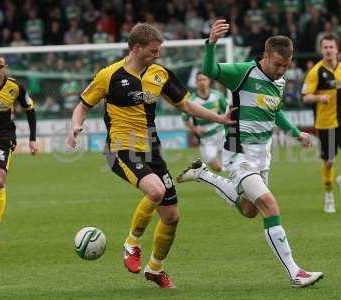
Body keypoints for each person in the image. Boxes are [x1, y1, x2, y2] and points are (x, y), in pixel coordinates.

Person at [67, 23, 234, 289]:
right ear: (136, 48)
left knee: (171, 218)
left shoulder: (160, 74)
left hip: (152, 150)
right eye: (153, 51)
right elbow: (83, 105)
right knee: (155, 191)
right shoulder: (109, 75)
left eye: (159, 51)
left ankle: (155, 268)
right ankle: (131, 244)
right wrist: (75, 126)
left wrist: (220, 118)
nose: (157, 55)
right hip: (120, 149)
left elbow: (186, 105)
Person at [177, 20, 323, 288]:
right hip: (239, 154)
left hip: (262, 156)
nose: (281, 70)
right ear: (265, 56)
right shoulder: (243, 73)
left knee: (248, 210)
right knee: (269, 206)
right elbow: (209, 69)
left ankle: (202, 175)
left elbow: (275, 111)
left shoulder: (278, 82)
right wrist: (211, 43)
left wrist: (296, 133)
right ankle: (295, 272)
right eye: (277, 64)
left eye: (286, 65)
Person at [302, 34, 341, 213]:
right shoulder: (315, 72)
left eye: (331, 47)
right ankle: (328, 195)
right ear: (321, 50)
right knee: (328, 162)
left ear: (337, 50)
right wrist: (319, 97)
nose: (328, 50)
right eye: (325, 47)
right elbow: (305, 97)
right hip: (325, 123)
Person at [0, 53, 38, 249]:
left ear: (5, 68)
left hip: (4, 140)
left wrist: (32, 139)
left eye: (0, 67)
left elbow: (30, 109)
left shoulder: (15, 87)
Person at [183, 72, 227, 172]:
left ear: (209, 81)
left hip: (221, 133)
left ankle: (228, 184)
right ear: (196, 82)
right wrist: (194, 128)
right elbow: (185, 118)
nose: (202, 82)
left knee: (231, 162)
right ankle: (221, 181)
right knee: (217, 167)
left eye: (204, 79)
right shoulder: (191, 100)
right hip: (206, 138)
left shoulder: (218, 96)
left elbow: (227, 112)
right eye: (199, 80)